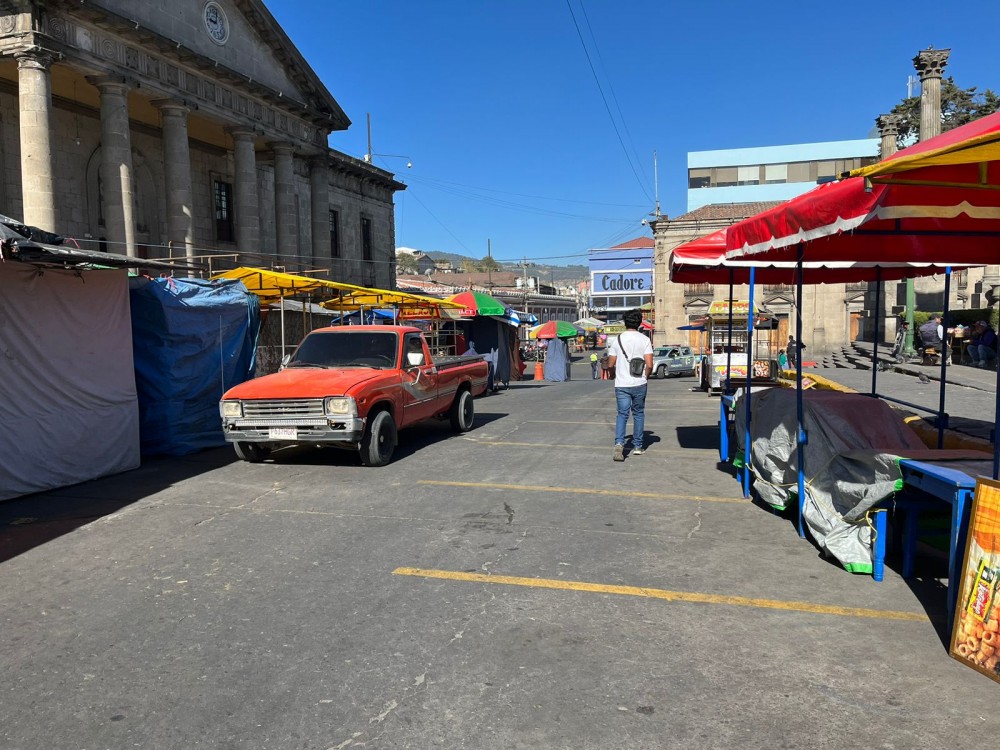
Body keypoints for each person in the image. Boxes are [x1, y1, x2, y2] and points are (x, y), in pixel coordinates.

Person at [608, 309, 654, 461]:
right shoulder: (645, 340)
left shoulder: (617, 339)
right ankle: (638, 446)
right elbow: (649, 364)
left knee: (622, 414)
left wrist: (613, 374)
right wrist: (645, 377)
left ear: (625, 322)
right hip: (639, 383)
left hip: (621, 383)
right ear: (639, 322)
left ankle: (619, 444)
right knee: (638, 413)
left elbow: (611, 363)